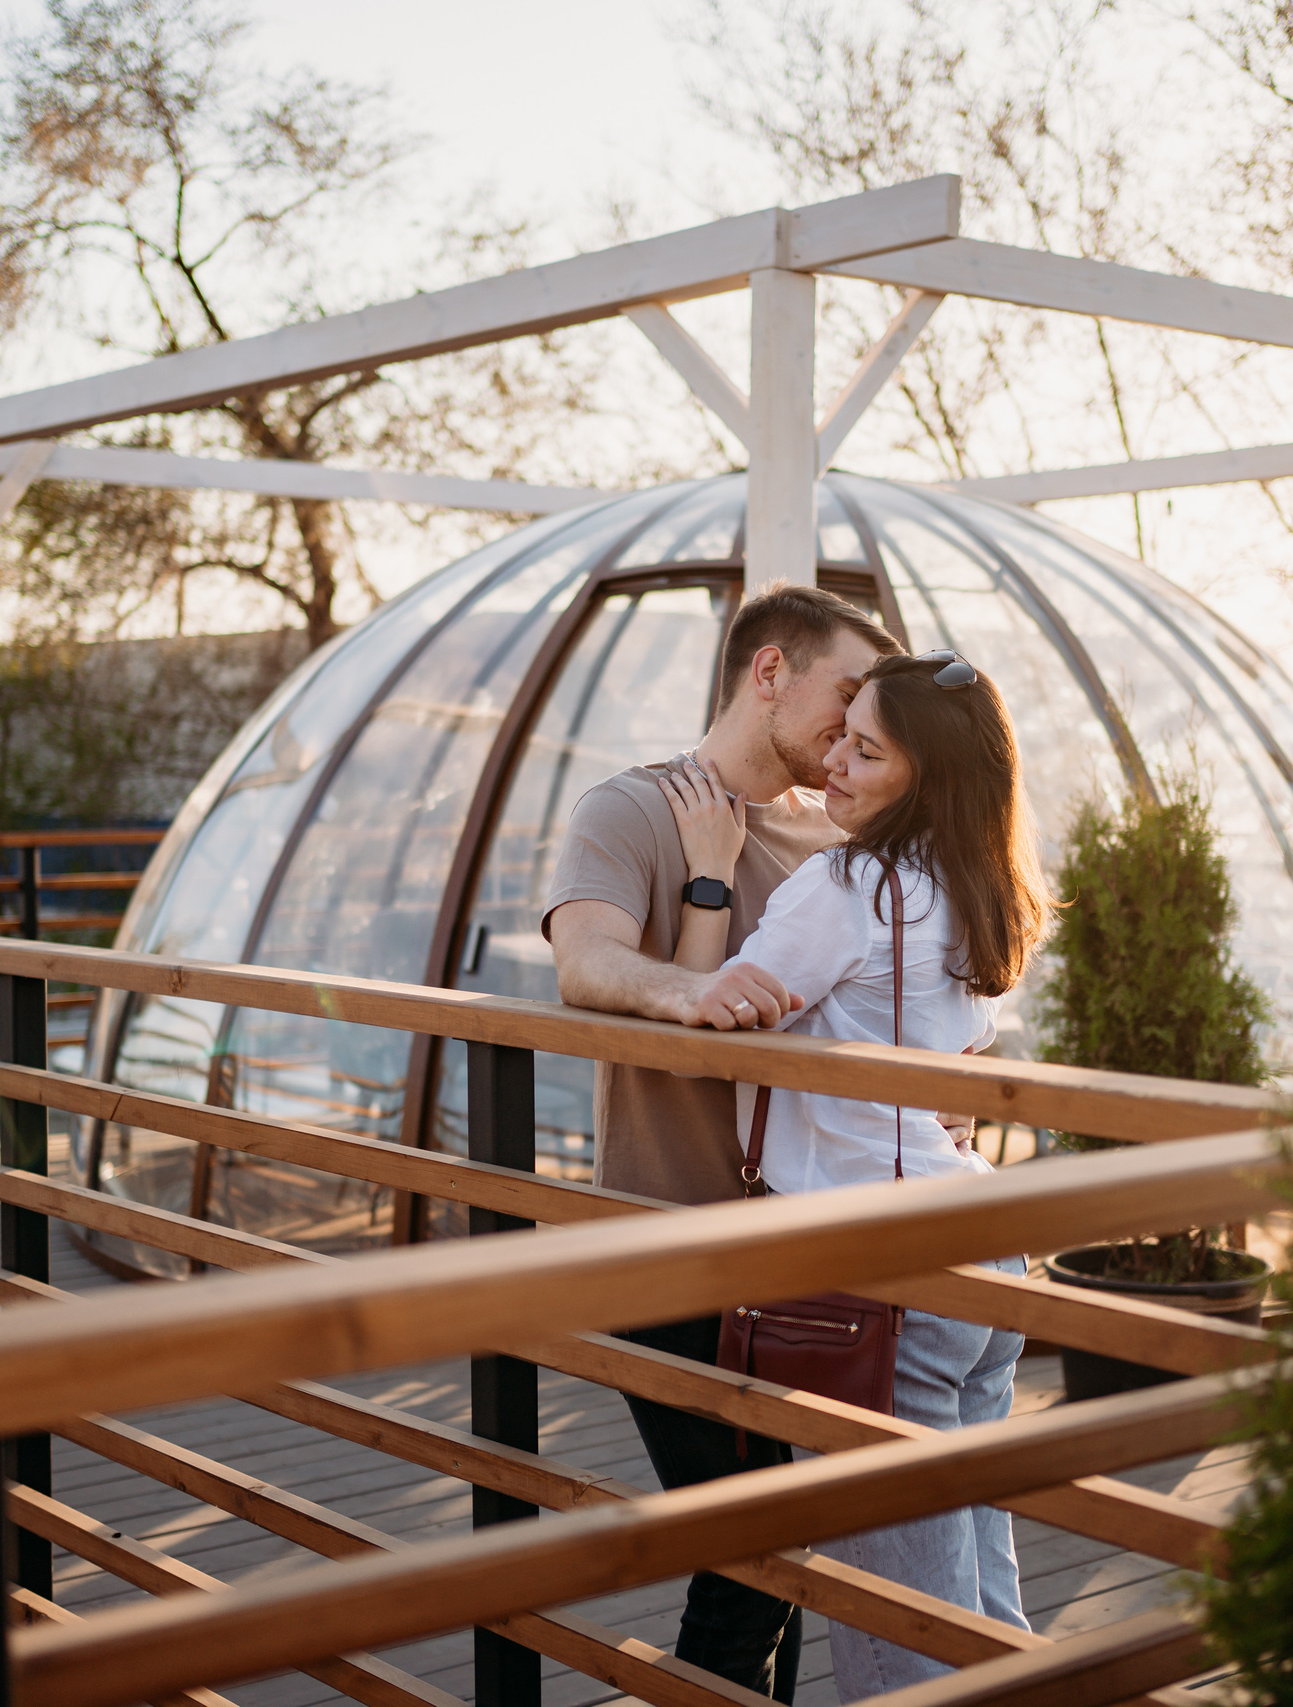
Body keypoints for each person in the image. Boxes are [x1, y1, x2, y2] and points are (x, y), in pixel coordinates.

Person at [662, 648, 1051, 1700]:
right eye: (841, 734)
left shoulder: (846, 884)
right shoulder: (980, 887)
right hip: (982, 1250)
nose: (831, 761)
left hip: (879, 1273)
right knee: (976, 1581)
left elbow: (702, 1012)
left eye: (865, 750)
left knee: (893, 1624)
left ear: (924, 781)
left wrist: (708, 868)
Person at [542, 582, 902, 1700]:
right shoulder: (631, 810)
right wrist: (684, 993)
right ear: (768, 673)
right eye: (843, 697)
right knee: (749, 1567)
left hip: (802, 1256)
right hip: (665, 1242)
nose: (852, 733)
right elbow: (586, 963)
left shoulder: (836, 838)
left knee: (780, 1559)